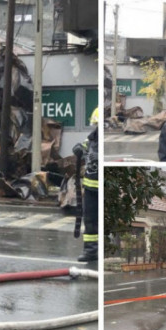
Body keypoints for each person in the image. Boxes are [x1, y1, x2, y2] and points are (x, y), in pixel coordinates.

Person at [73, 108, 99, 262]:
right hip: (90, 188)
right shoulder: (92, 139)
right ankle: (90, 251)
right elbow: (83, 147)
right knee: (89, 221)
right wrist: (78, 149)